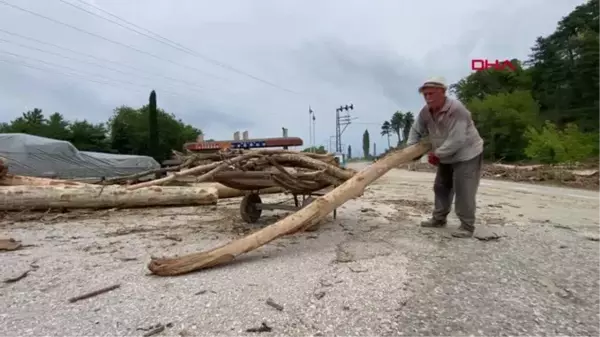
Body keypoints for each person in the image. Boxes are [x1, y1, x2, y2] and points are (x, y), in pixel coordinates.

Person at [406, 77, 484, 238]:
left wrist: (437, 154)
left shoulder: (456, 110)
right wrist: (411, 150)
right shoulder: (426, 111)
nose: (428, 97)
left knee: (464, 190)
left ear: (442, 92)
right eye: (425, 94)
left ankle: (467, 226)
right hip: (446, 154)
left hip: (466, 154)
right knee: (441, 187)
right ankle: (439, 219)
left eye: (431, 94)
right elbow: (416, 130)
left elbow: (457, 139)